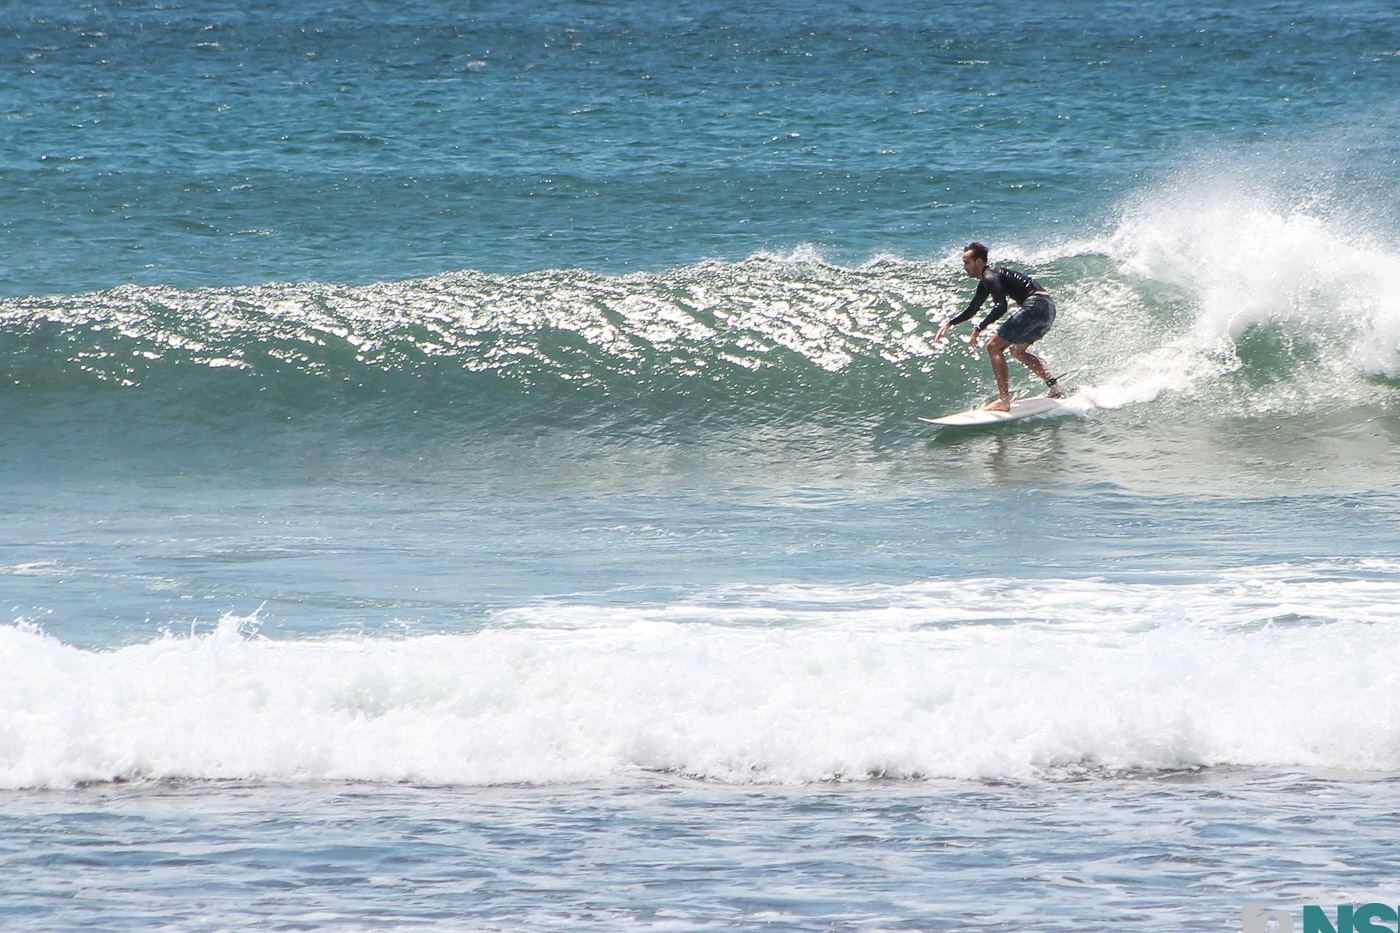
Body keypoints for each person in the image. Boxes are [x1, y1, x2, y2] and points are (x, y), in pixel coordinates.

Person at [934, 242, 1067, 411]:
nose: (964, 267)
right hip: (1048, 308)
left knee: (993, 346)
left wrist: (979, 328)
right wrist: (950, 323)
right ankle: (1055, 387)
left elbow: (1001, 306)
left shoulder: (989, 275)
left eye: (967, 262)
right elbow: (973, 308)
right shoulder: (987, 280)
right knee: (1017, 351)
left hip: (1035, 305)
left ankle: (1003, 400)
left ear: (979, 262)